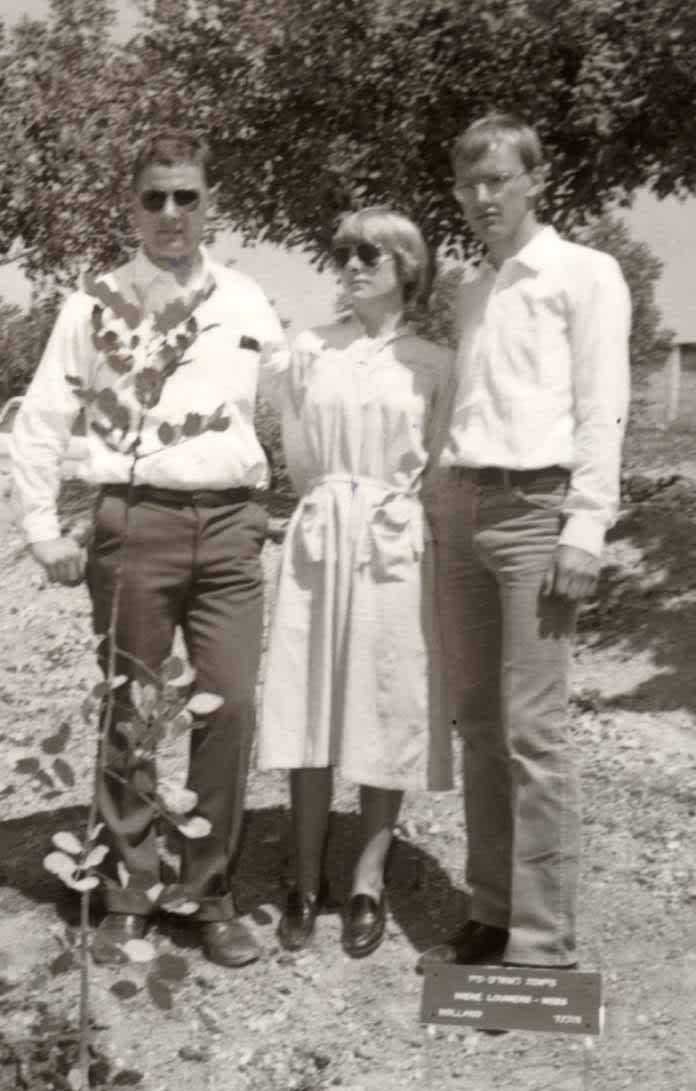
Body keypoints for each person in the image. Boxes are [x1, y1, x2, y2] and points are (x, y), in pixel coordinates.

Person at [9, 130, 289, 969]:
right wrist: (39, 526)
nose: (171, 212)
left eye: (187, 196)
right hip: (135, 522)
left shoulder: (246, 301)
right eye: (155, 197)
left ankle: (208, 891)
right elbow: (40, 419)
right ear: (132, 206)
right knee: (134, 706)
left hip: (233, 525)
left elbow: (288, 410)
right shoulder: (93, 302)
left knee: (231, 703)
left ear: (211, 204)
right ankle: (128, 887)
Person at [420, 113, 631, 972]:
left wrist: (587, 522)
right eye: (468, 185)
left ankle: (542, 947)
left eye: (498, 180)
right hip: (466, 512)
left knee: (533, 733)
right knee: (478, 724)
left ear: (537, 181)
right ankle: (493, 909)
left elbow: (601, 404)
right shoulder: (471, 289)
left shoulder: (585, 274)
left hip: (539, 516)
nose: (481, 198)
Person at [258, 208, 454, 957]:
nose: (352, 263)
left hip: (395, 540)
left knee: (385, 699)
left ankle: (368, 876)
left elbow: (437, 463)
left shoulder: (435, 362)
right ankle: (305, 877)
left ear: (407, 265)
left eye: (369, 251)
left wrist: (390, 513)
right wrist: (331, 506)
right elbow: (300, 454)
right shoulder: (310, 349)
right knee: (310, 700)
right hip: (321, 533)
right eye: (341, 251)